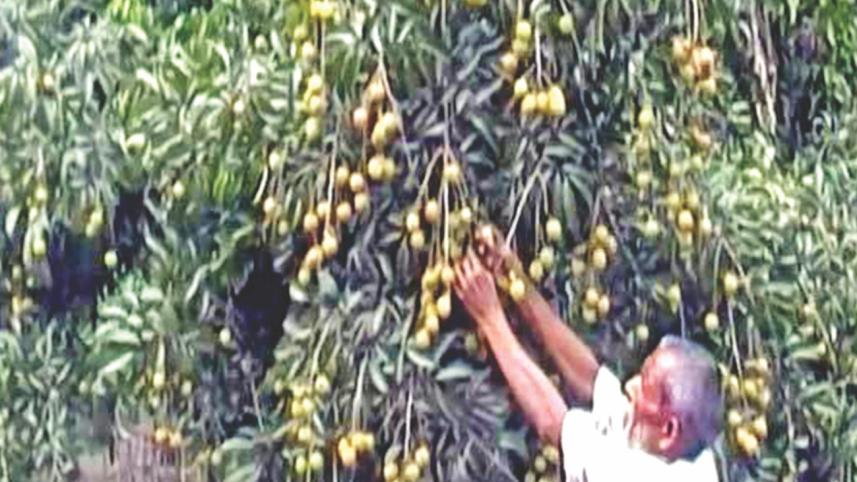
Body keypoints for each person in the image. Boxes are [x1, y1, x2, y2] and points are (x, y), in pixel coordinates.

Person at [452, 227, 723, 481]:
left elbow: (555, 426)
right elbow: (594, 382)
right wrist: (514, 278)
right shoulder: (678, 444)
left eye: (643, 384)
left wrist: (489, 318)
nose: (630, 386)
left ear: (669, 431)